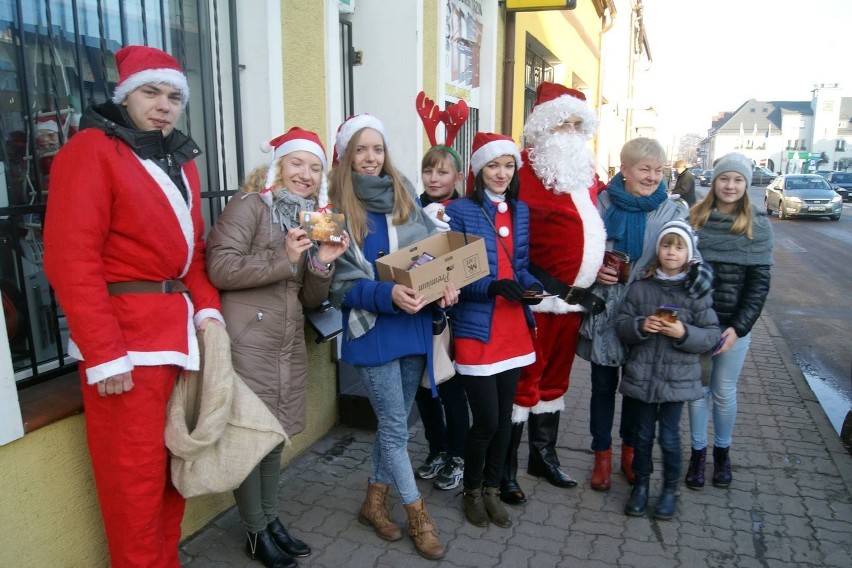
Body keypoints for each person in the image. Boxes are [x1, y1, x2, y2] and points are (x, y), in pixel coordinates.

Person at [42, 45, 224, 567]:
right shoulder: (90, 150)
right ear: (125, 95)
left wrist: (208, 316)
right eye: (151, 92)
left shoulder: (180, 165)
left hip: (176, 341)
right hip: (125, 348)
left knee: (171, 477)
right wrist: (104, 353)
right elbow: (71, 258)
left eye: (173, 96)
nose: (164, 105)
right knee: (133, 487)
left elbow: (191, 257)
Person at [206, 127, 349, 568]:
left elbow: (307, 298)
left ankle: (269, 520)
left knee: (271, 439)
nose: (305, 174)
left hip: (284, 344)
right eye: (296, 163)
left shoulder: (308, 218)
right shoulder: (250, 206)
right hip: (248, 341)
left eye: (314, 167)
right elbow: (220, 269)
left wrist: (322, 263)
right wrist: (284, 257)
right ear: (278, 167)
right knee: (251, 439)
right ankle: (254, 532)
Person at [327, 114, 457, 561]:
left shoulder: (403, 196)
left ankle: (373, 502)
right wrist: (388, 293)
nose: (370, 158)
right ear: (346, 155)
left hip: (413, 324)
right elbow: (337, 286)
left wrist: (445, 283)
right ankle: (418, 515)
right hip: (373, 330)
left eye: (377, 149)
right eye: (361, 149)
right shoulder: (333, 208)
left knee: (392, 426)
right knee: (398, 429)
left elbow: (431, 257)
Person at [577, 137, 705, 492]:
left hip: (646, 314)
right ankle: (601, 456)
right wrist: (594, 272)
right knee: (602, 389)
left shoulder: (672, 210)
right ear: (626, 170)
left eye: (659, 170)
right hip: (604, 311)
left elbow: (686, 255)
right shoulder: (599, 204)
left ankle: (630, 455)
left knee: (635, 392)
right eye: (645, 169)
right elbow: (581, 250)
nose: (653, 177)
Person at [500, 82, 607, 504]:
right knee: (524, 382)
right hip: (535, 301)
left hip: (573, 303)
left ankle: (542, 457)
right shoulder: (521, 173)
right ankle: (505, 469)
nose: (570, 131)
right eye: (563, 121)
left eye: (578, 124)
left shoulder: (586, 174)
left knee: (556, 381)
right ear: (543, 125)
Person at [445, 132, 542, 529]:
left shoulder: (520, 211)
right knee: (485, 420)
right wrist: (491, 286)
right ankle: (470, 491)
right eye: (492, 165)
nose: (501, 173)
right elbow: (451, 277)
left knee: (505, 419)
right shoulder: (459, 211)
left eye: (508, 165)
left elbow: (518, 265)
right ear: (478, 169)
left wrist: (530, 284)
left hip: (513, 328)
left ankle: (491, 489)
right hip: (477, 329)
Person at [615, 220, 720, 519]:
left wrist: (684, 333)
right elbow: (621, 325)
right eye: (666, 245)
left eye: (678, 246)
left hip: (676, 380)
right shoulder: (641, 287)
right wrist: (641, 326)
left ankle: (670, 489)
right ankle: (641, 486)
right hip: (642, 377)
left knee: (670, 437)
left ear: (689, 252)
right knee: (642, 436)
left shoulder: (696, 292)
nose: (671, 252)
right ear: (657, 249)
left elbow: (711, 334)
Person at [685, 153, 773, 489]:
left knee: (723, 392)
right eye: (725, 178)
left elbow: (758, 286)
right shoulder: (695, 220)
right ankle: (697, 453)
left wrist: (739, 328)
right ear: (715, 182)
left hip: (733, 328)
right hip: (698, 326)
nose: (731, 185)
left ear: (747, 184)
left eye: (738, 180)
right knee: (697, 392)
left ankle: (722, 453)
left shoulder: (758, 227)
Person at [413, 144, 470, 491]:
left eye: (442, 172)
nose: (434, 178)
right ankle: (436, 449)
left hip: (453, 314)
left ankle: (457, 455)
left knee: (451, 388)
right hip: (417, 312)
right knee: (424, 389)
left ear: (457, 177)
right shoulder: (411, 209)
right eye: (428, 170)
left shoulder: (463, 212)